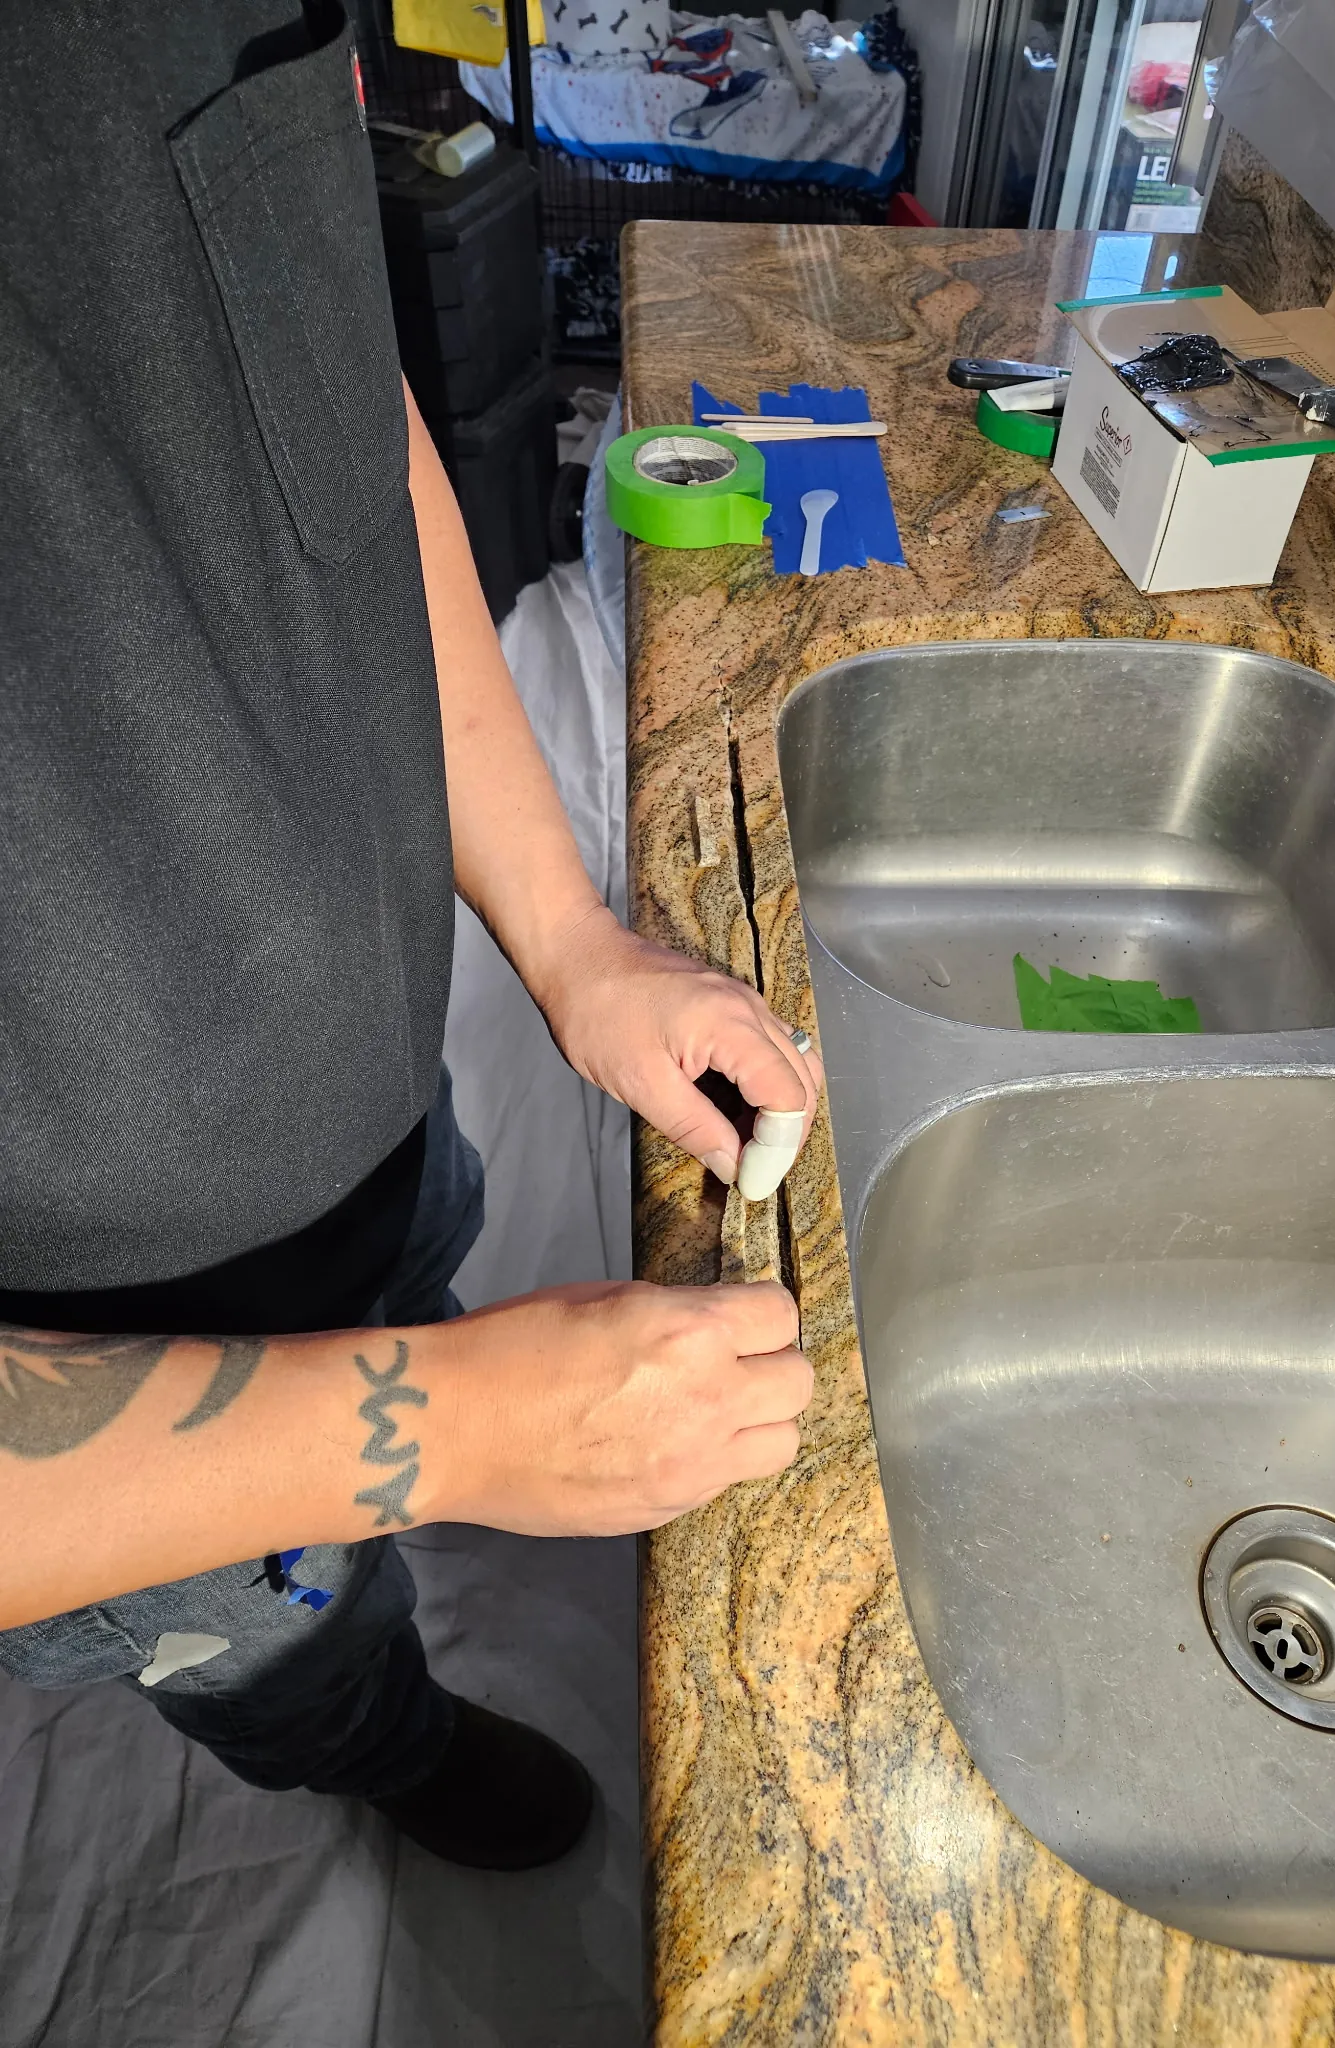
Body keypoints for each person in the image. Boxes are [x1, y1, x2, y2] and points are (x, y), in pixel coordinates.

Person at [0, 0, 820, 1872]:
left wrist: (567, 933)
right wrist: (434, 1428)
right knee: (272, 1638)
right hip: (106, 1339)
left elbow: (329, 437)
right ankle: (384, 1739)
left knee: (417, 1285)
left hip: (375, 1089)